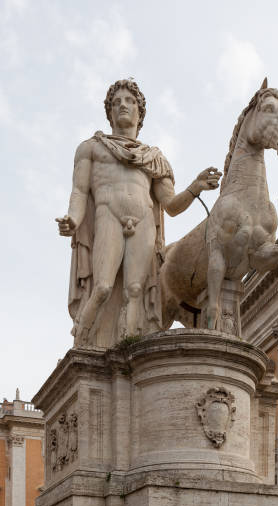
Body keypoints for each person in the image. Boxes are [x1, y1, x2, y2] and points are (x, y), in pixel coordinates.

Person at [56, 79, 221, 347]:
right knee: (103, 287)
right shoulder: (91, 148)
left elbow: (171, 206)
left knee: (135, 290)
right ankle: (82, 342)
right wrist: (73, 220)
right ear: (109, 112)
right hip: (107, 213)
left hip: (143, 219)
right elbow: (79, 191)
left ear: (139, 112)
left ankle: (127, 346)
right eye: (116, 102)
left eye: (129, 101)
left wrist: (195, 187)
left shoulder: (153, 158)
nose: (123, 105)